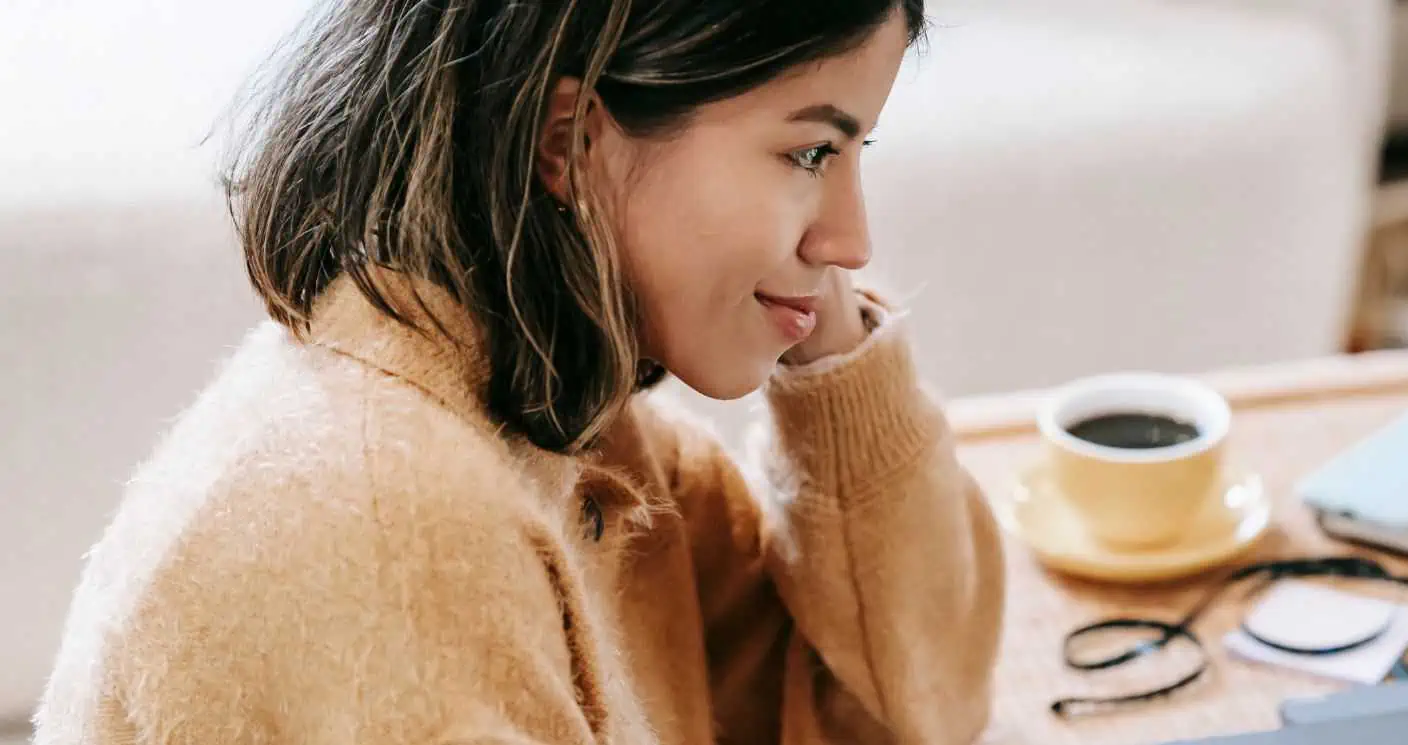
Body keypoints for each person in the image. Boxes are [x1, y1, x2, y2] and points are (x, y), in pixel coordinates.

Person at [31, 2, 1006, 744]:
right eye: (808, 151)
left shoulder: (581, 430)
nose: (853, 238)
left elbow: (905, 708)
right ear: (567, 143)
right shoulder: (381, 529)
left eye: (851, 153)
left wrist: (835, 361)